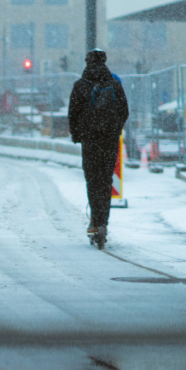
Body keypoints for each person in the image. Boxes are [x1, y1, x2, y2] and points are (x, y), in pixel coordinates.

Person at [68, 49, 129, 245]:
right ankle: (103, 223)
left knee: (92, 180)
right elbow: (124, 111)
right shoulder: (114, 85)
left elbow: (73, 114)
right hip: (109, 140)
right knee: (105, 181)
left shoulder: (80, 86)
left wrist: (78, 135)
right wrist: (114, 129)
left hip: (90, 140)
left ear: (87, 62)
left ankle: (94, 221)